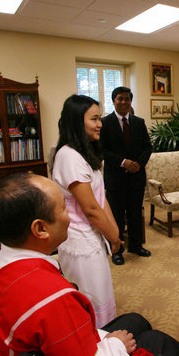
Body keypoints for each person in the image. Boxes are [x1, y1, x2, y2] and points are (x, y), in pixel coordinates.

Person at [0, 173, 179, 356]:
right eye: (63, 208)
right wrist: (116, 345)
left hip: (30, 348)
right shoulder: (53, 299)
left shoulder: (0, 261)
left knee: (137, 320)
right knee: (161, 342)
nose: (69, 216)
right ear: (40, 229)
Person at [52, 94, 120, 327]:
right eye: (94, 119)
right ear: (76, 122)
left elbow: (101, 198)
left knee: (101, 292)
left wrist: (115, 232)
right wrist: (114, 237)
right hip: (80, 242)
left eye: (100, 118)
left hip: (93, 237)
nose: (100, 124)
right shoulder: (69, 156)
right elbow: (91, 209)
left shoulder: (84, 153)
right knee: (90, 299)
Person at [101, 87, 152, 265]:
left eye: (127, 99)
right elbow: (103, 150)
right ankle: (117, 250)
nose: (123, 102)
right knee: (116, 216)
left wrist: (138, 164)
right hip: (115, 178)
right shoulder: (105, 123)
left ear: (131, 101)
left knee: (135, 213)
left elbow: (147, 146)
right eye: (119, 99)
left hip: (136, 177)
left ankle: (136, 246)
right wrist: (123, 162)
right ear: (113, 101)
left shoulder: (139, 122)